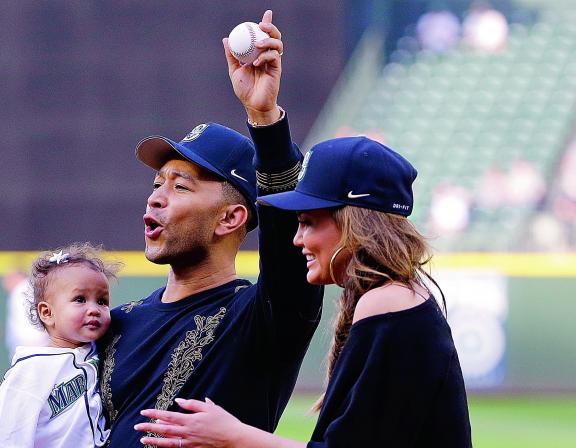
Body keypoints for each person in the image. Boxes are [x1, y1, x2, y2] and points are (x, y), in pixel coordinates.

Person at [135, 137, 473, 447]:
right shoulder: (392, 297)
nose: (298, 239)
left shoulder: (389, 301)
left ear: (354, 223)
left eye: (308, 222)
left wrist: (233, 435)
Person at [99, 10, 323, 447]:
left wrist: (265, 119)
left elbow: (286, 245)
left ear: (231, 218)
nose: (156, 197)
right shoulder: (116, 322)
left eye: (180, 186)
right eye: (156, 183)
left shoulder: (262, 319)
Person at [0, 243, 116, 447]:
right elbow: (6, 437)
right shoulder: (30, 371)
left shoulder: (106, 351)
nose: (94, 309)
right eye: (80, 299)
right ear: (47, 313)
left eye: (102, 301)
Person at [2, 269, 48, 362]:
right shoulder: (33, 287)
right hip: (41, 344)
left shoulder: (20, 290)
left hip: (29, 347)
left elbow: (22, 328)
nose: (5, 285)